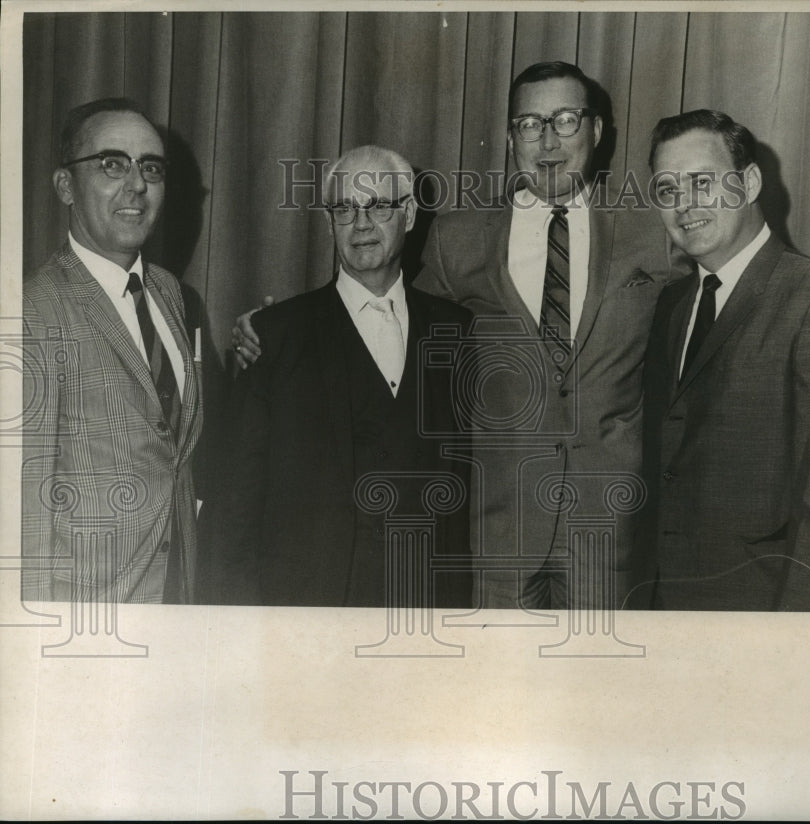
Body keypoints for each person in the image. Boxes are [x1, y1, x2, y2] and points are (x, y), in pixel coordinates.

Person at [232, 63, 678, 611]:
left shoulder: (652, 236)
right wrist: (269, 327)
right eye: (529, 124)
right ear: (511, 137)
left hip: (610, 538)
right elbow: (378, 310)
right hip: (494, 544)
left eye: (564, 120)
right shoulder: (457, 240)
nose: (548, 140)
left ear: (597, 132)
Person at [199, 146, 472, 607]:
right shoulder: (275, 335)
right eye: (345, 209)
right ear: (329, 224)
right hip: (305, 613)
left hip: (424, 611)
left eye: (378, 206)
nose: (361, 224)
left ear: (407, 214)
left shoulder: (455, 330)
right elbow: (235, 503)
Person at [22, 97, 203, 603]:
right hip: (85, 619)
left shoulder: (169, 294)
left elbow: (171, 452)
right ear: (65, 186)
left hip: (175, 601)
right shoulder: (31, 313)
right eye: (112, 164)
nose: (137, 185)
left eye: (151, 167)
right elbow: (19, 507)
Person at [641, 109, 810, 611]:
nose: (684, 205)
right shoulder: (670, 305)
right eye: (668, 190)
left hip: (760, 608)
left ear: (748, 183)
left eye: (702, 183)